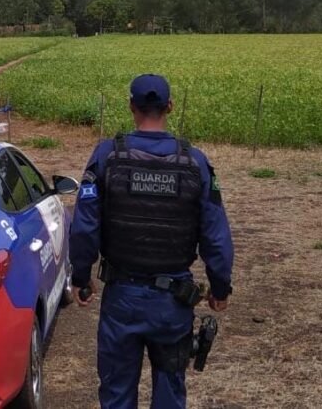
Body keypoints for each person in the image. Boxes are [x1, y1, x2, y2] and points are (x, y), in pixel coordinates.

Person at [70, 74, 234, 409]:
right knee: (170, 393)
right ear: (169, 107)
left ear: (131, 106)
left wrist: (81, 276)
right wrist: (220, 288)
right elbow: (215, 233)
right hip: (173, 303)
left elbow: (84, 225)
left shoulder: (107, 156)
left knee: (116, 394)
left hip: (122, 300)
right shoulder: (195, 162)